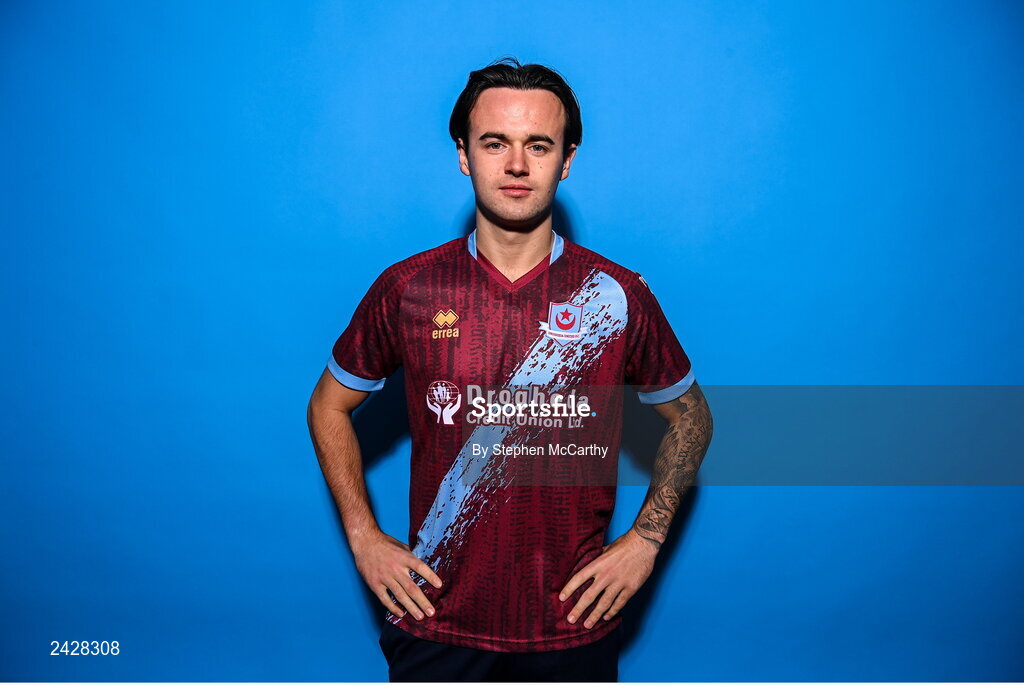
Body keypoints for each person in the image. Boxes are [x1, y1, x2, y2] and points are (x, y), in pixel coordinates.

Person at [306, 57, 714, 682]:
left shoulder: (614, 294)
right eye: (495, 143)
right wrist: (363, 535)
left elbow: (691, 416)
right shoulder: (409, 288)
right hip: (437, 622)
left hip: (571, 628)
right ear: (465, 155)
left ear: (567, 159)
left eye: (539, 145)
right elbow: (327, 405)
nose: (517, 165)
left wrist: (646, 540)